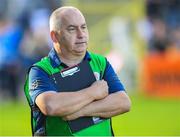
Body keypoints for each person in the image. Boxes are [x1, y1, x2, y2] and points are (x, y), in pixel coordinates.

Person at [24, 6, 131, 136]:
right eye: (72, 29)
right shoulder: (41, 70)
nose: (81, 35)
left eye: (83, 27)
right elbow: (51, 106)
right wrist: (93, 92)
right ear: (55, 36)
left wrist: (79, 112)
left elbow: (123, 102)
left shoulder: (100, 63)